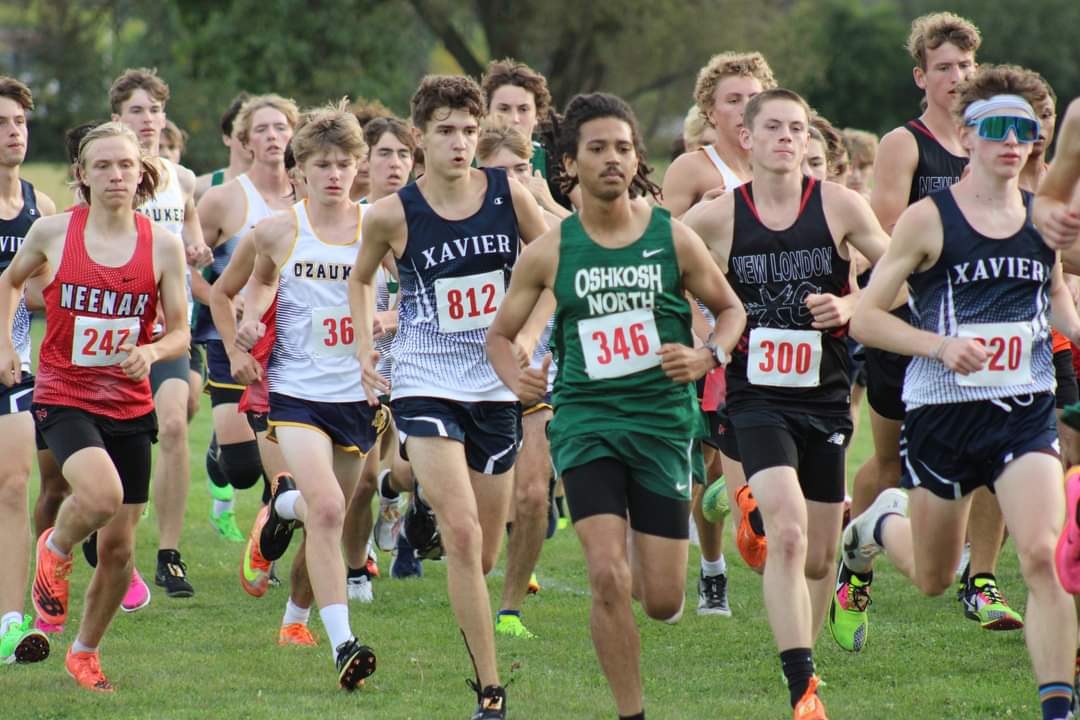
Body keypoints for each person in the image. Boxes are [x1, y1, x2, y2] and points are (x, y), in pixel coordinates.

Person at [487, 91, 745, 720]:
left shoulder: (672, 238)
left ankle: (654, 550)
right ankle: (633, 713)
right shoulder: (550, 250)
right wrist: (515, 377)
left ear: (636, 159)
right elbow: (499, 335)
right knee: (606, 576)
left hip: (660, 425)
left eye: (623, 148)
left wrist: (707, 355)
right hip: (586, 423)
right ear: (570, 163)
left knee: (660, 599)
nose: (612, 159)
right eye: (597, 149)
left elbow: (733, 309)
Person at [846, 66, 1079, 720]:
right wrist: (941, 346)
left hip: (1023, 410)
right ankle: (870, 528)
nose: (1013, 142)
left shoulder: (1044, 221)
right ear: (968, 134)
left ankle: (1058, 709)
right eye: (997, 128)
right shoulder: (928, 220)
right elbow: (867, 318)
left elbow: (1054, 297)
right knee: (932, 577)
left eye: (1026, 131)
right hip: (944, 414)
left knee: (1040, 556)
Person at [685, 87, 889, 718]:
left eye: (796, 129)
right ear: (746, 137)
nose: (785, 138)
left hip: (826, 398)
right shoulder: (718, 218)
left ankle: (840, 565)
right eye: (771, 127)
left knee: (820, 555)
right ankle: (803, 687)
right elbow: (658, 265)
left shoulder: (839, 205)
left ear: (808, 140)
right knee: (790, 534)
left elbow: (899, 268)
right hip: (754, 395)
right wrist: (703, 338)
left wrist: (852, 304)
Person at [350, 74, 547, 719]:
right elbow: (358, 280)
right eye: (446, 132)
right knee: (462, 537)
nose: (461, 143)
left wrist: (531, 335)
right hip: (425, 378)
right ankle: (491, 691)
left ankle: (403, 498)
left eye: (469, 129)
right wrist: (362, 351)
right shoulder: (391, 213)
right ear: (419, 138)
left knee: (483, 552)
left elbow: (554, 262)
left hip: (495, 386)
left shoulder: (508, 193)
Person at [838, 12, 1023, 638]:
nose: (958, 77)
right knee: (889, 462)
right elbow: (890, 239)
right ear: (922, 76)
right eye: (944, 67)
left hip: (990, 334)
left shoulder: (1002, 139)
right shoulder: (904, 143)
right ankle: (856, 566)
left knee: (1003, 449)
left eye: (967, 66)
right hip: (909, 327)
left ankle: (984, 580)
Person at [0, 121, 188, 691]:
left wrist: (152, 350)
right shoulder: (53, 232)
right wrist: (6, 342)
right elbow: (8, 283)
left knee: (120, 549)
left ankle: (84, 652)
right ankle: (54, 547)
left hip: (129, 402)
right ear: (81, 175)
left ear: (142, 171)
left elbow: (181, 330)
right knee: (99, 497)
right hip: (64, 395)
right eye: (102, 166)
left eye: (125, 165)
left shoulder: (163, 244)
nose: (115, 176)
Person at [225, 101, 379, 689]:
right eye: (322, 165)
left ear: (357, 167)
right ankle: (344, 646)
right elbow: (254, 284)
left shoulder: (379, 227)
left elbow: (408, 298)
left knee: (323, 518)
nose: (335, 175)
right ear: (300, 172)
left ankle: (293, 613)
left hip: (357, 396)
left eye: (345, 164)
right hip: (294, 394)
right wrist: (248, 328)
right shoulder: (280, 228)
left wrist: (384, 319)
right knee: (332, 510)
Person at [110, 67, 211, 603]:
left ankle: (168, 556)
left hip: (170, 331)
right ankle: (110, 524)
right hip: (116, 335)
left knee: (174, 423)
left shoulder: (183, 178)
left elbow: (189, 226)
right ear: (116, 119)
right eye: (136, 112)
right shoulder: (110, 179)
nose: (148, 121)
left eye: (154, 111)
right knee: (118, 444)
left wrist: (196, 247)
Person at [196, 94, 298, 542]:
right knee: (240, 470)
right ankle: (220, 453)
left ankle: (266, 536)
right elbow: (183, 269)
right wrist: (232, 315)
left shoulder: (310, 195)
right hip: (230, 341)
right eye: (262, 129)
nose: (273, 137)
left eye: (281, 128)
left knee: (279, 456)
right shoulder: (223, 200)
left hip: (288, 345)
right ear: (244, 141)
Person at [475, 124, 559, 637]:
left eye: (522, 168)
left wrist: (528, 333)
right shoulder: (459, 215)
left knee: (532, 492)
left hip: (531, 366)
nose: (514, 179)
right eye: (503, 170)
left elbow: (558, 274)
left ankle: (509, 610)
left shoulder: (545, 223)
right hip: (463, 370)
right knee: (477, 525)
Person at [0, 75, 55, 665]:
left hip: (14, 368)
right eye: (1, 124)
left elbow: (44, 292)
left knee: (15, 487)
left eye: (18, 122)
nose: (13, 133)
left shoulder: (42, 207)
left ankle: (10, 626)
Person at [662, 51, 776, 217]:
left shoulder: (780, 164)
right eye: (733, 101)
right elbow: (661, 237)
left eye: (754, 99)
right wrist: (697, 215)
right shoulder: (690, 167)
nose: (746, 109)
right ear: (710, 113)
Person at [194, 92, 253, 202]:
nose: (249, 139)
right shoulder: (199, 188)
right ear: (227, 139)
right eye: (242, 133)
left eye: (256, 131)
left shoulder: (287, 187)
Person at [843, 129, 878, 199]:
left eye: (863, 166)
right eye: (850, 167)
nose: (856, 176)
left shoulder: (882, 203)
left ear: (873, 167)